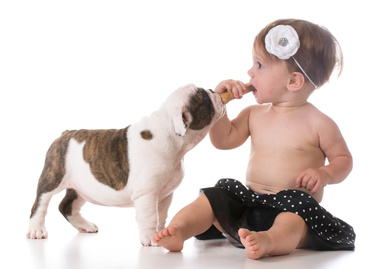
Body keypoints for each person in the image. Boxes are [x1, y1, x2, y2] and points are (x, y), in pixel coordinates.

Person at [152, 19, 355, 260]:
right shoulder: (254, 115)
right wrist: (220, 104)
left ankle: (268, 241)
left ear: (293, 81)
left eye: (259, 65)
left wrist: (326, 174)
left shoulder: (319, 123)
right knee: (213, 196)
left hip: (291, 206)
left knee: (294, 223)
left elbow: (343, 159)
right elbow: (223, 141)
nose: (249, 72)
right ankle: (179, 229)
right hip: (250, 200)